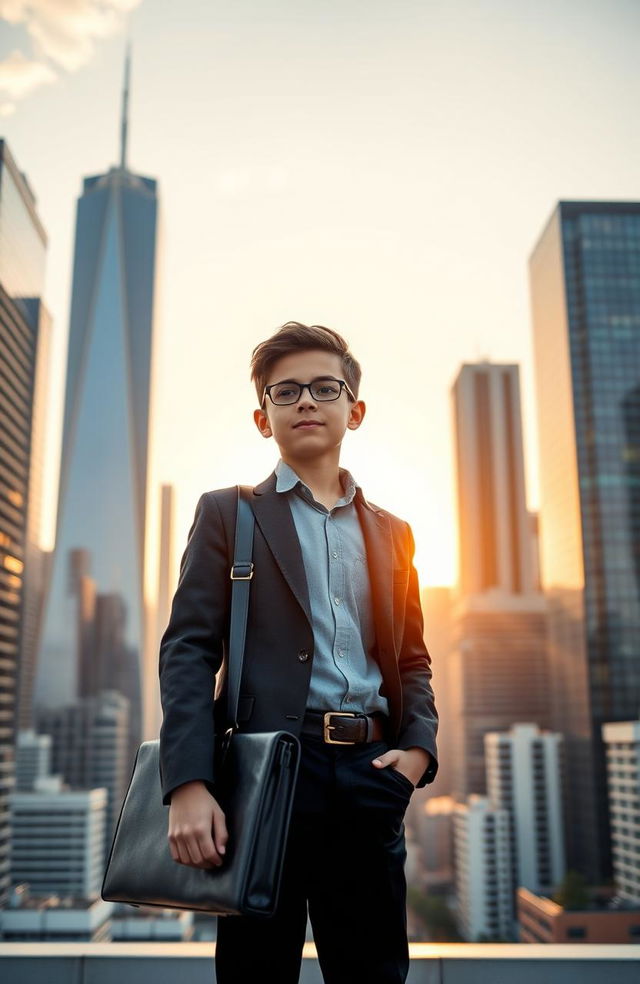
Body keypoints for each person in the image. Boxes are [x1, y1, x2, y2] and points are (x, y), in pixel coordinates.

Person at [158, 321, 439, 984]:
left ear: (355, 409)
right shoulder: (229, 513)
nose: (306, 402)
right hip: (266, 776)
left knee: (372, 973)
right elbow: (189, 650)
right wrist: (189, 782)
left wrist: (419, 750)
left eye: (323, 387)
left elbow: (412, 659)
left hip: (373, 774)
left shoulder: (395, 533)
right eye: (286, 393)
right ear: (264, 419)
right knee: (257, 972)